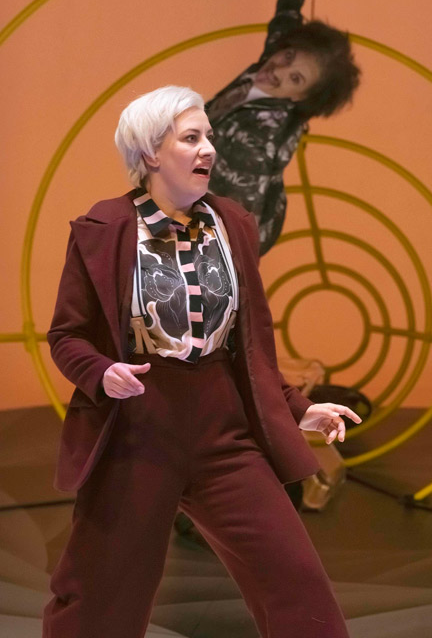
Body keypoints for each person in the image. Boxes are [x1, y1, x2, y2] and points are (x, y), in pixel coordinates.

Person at [43, 85, 362, 638]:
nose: (209, 149)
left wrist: (298, 408)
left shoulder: (232, 223)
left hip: (223, 433)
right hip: (137, 434)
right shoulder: (104, 230)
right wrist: (102, 372)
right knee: (99, 600)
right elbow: (67, 336)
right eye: (191, 138)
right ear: (150, 152)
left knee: (298, 586)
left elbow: (250, 347)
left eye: (208, 136)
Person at [206, 0, 361, 255]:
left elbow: (236, 218)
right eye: (288, 56)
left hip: (229, 224)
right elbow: (289, 4)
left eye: (295, 78)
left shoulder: (255, 141)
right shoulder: (274, 56)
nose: (277, 70)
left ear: (300, 96)